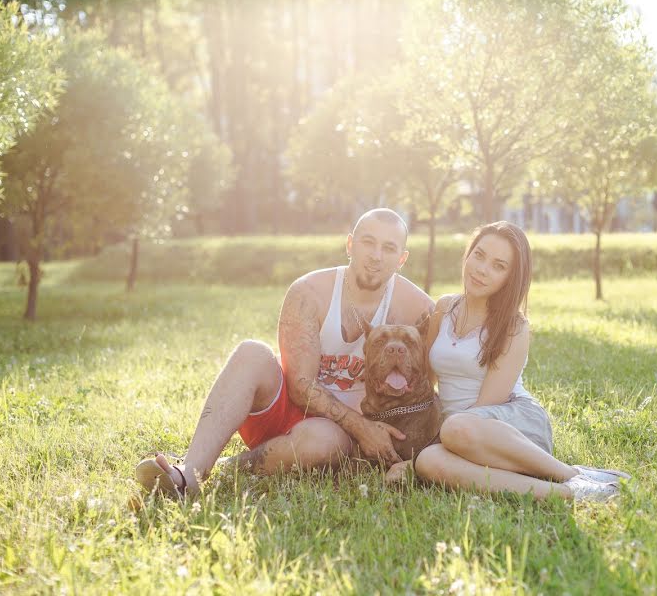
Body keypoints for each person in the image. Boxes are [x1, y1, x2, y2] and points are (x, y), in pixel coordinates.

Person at [135, 208, 434, 497]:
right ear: (350, 244)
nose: (376, 256)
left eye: (389, 248)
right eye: (368, 242)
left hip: (331, 439)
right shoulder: (310, 291)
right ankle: (187, 473)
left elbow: (445, 368)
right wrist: (363, 427)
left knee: (325, 441)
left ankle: (228, 466)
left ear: (402, 258)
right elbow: (300, 387)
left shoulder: (416, 307)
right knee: (252, 352)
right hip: (284, 410)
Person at [389, 221, 629, 502]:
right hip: (457, 433)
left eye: (498, 266)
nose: (481, 269)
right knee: (429, 463)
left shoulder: (514, 327)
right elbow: (427, 386)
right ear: (468, 254)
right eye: (479, 255)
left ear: (510, 277)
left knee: (456, 428)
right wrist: (415, 452)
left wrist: (438, 440)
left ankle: (571, 473)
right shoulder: (444, 308)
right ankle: (568, 493)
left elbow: (488, 405)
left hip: (510, 428)